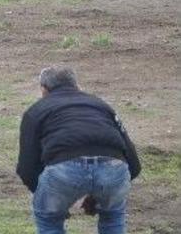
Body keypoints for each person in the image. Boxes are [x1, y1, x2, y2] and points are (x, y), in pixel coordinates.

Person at [17, 66, 140, 234]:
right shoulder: (101, 106)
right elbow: (133, 163)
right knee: (112, 216)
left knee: (48, 220)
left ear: (44, 90)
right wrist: (101, 192)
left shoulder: (36, 110)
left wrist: (52, 199)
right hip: (113, 166)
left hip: (64, 170)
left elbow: (26, 168)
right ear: (77, 86)